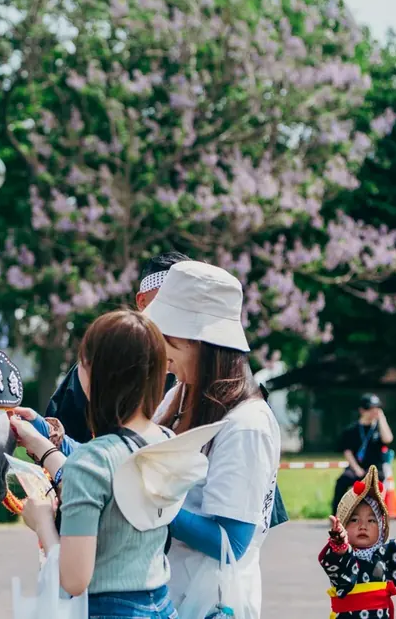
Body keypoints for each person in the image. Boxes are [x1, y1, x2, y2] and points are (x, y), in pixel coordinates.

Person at [12, 310, 180, 618]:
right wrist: (41, 441)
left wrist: (42, 521)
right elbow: (104, 473)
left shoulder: (92, 462)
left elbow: (74, 579)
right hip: (161, 605)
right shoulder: (166, 441)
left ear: (94, 375)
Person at [142, 260, 282, 619]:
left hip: (212, 604)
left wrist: (145, 500)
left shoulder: (247, 424)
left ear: (197, 341)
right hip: (170, 593)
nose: (161, 355)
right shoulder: (179, 394)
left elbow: (231, 543)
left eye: (166, 340)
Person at [44, 251, 191, 445]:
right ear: (142, 301)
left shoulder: (197, 363)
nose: (177, 311)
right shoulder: (106, 357)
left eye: (185, 303)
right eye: (167, 301)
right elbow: (61, 434)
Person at [320, 466, 396, 618]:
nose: (363, 526)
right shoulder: (344, 556)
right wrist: (340, 544)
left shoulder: (385, 555)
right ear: (343, 526)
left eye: (371, 520)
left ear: (381, 528)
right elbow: (336, 564)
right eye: (354, 520)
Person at [332, 393, 394, 513]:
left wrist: (382, 419)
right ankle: (337, 514)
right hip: (357, 467)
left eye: (376, 408)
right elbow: (347, 451)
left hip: (375, 469)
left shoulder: (379, 428)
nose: (374, 411)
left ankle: (378, 514)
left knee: (377, 484)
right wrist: (356, 469)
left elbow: (388, 439)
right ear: (362, 410)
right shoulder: (351, 430)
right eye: (370, 409)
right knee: (342, 480)